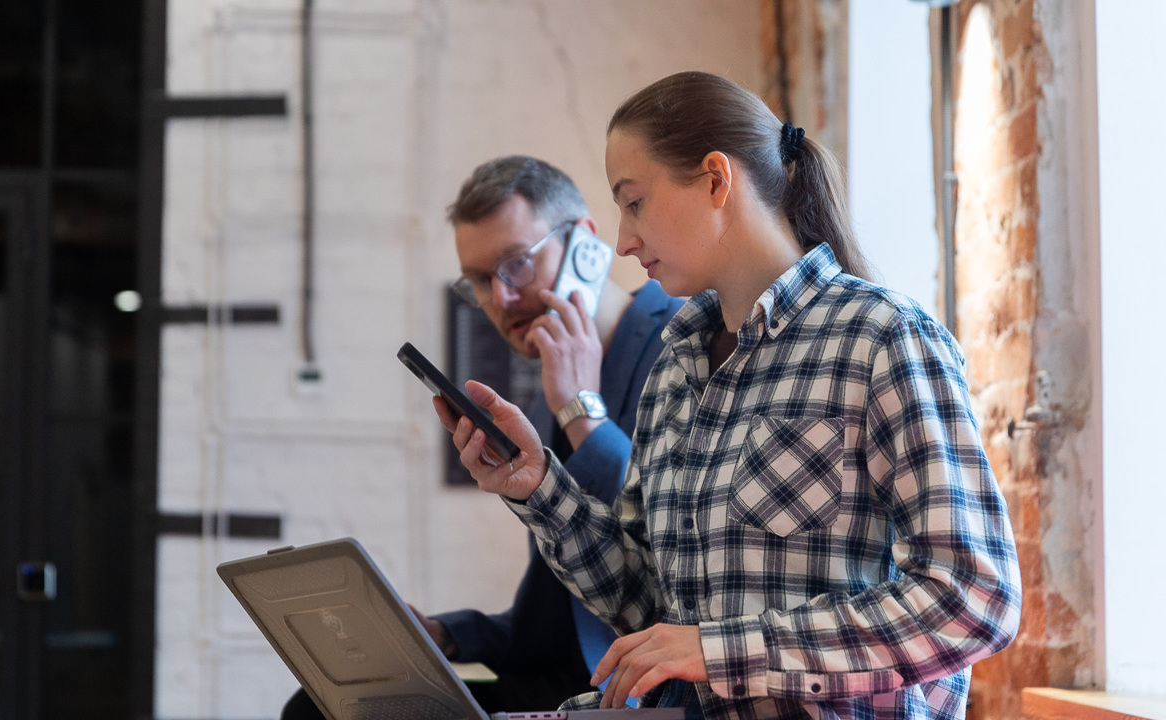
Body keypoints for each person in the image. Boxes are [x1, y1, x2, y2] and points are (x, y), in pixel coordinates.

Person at [434, 71, 1022, 720]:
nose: (623, 243)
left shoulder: (881, 339)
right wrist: (538, 487)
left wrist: (723, 652)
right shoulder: (673, 371)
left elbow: (972, 601)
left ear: (716, 179)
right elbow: (650, 605)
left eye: (634, 203)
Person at [281, 155, 685, 719]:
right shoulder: (553, 389)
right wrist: (446, 635)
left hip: (627, 687)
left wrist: (581, 411)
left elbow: (659, 563)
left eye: (516, 264)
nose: (501, 298)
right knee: (320, 706)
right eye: (479, 281)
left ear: (587, 246)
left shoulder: (678, 345)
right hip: (550, 681)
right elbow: (548, 621)